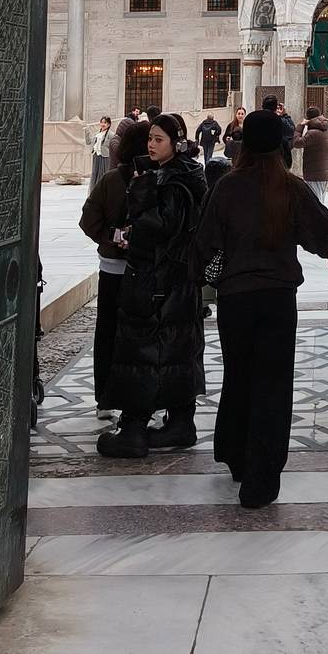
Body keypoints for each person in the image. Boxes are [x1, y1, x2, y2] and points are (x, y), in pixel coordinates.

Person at [192, 109, 328, 507]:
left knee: (239, 376)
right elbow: (327, 236)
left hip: (236, 299)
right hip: (277, 299)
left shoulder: (226, 187)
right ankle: (261, 476)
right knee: (272, 383)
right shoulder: (289, 187)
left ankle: (236, 454)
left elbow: (202, 244)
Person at [96, 112, 208, 459]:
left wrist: (141, 189)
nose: (152, 145)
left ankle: (133, 429)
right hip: (175, 284)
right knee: (175, 352)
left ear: (177, 143)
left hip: (155, 283)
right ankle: (180, 422)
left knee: (142, 353)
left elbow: (160, 228)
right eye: (150, 138)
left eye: (159, 139)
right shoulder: (184, 175)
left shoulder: (172, 182)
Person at [79, 118, 148, 408]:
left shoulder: (109, 180)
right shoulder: (154, 179)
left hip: (111, 268)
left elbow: (88, 220)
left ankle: (105, 393)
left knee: (107, 330)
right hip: (143, 269)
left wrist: (110, 237)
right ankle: (138, 394)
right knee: (141, 331)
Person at [297, 106, 328, 200]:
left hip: (313, 175)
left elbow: (297, 143)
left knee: (315, 202)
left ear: (308, 119)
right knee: (320, 201)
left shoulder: (312, 133)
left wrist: (300, 126)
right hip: (325, 174)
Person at [262, 93, 296, 166]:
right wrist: (285, 114)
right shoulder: (279, 120)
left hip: (260, 157)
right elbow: (291, 131)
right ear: (275, 108)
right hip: (277, 158)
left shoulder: (256, 119)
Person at [88, 116, 112, 190]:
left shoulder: (111, 134)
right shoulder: (97, 134)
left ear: (108, 124)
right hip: (96, 156)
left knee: (103, 174)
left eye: (105, 123)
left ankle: (103, 190)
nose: (103, 124)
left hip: (105, 157)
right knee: (95, 173)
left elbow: (112, 146)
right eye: (101, 122)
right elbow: (89, 142)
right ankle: (96, 191)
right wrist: (87, 132)